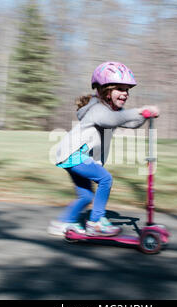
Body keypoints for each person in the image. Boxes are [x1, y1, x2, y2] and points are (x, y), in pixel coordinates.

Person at [48, 61, 159, 237]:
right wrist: (140, 110)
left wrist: (145, 116)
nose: (125, 94)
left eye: (127, 90)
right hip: (75, 154)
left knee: (86, 197)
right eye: (120, 89)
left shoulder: (110, 111)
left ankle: (63, 223)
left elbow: (130, 123)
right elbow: (115, 120)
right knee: (105, 179)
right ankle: (96, 223)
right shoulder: (98, 110)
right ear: (106, 91)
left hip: (72, 156)